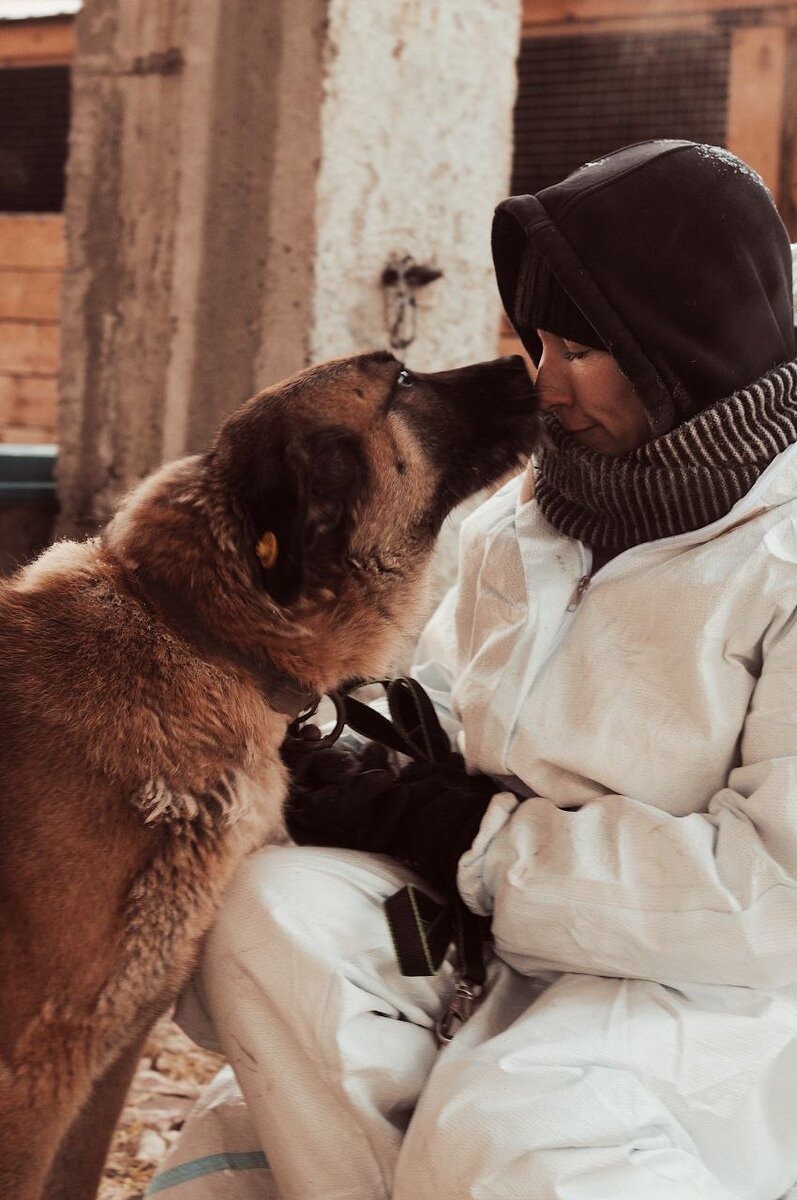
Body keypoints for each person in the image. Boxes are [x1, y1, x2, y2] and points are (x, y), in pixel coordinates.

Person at [149, 140, 797, 1200]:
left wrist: (466, 840)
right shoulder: (535, 513)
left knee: (509, 1128)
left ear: (685, 342)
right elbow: (458, 699)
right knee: (265, 919)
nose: (543, 385)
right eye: (536, 340)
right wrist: (350, 755)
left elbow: (765, 896)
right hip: (499, 926)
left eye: (582, 347)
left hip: (708, 991)